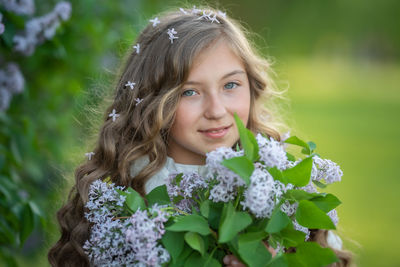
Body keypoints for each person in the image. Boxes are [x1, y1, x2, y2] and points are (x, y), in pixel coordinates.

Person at [48, 6, 353, 266]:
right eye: (189, 92)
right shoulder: (125, 198)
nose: (216, 110)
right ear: (152, 103)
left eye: (230, 85)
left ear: (251, 85)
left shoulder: (278, 185)